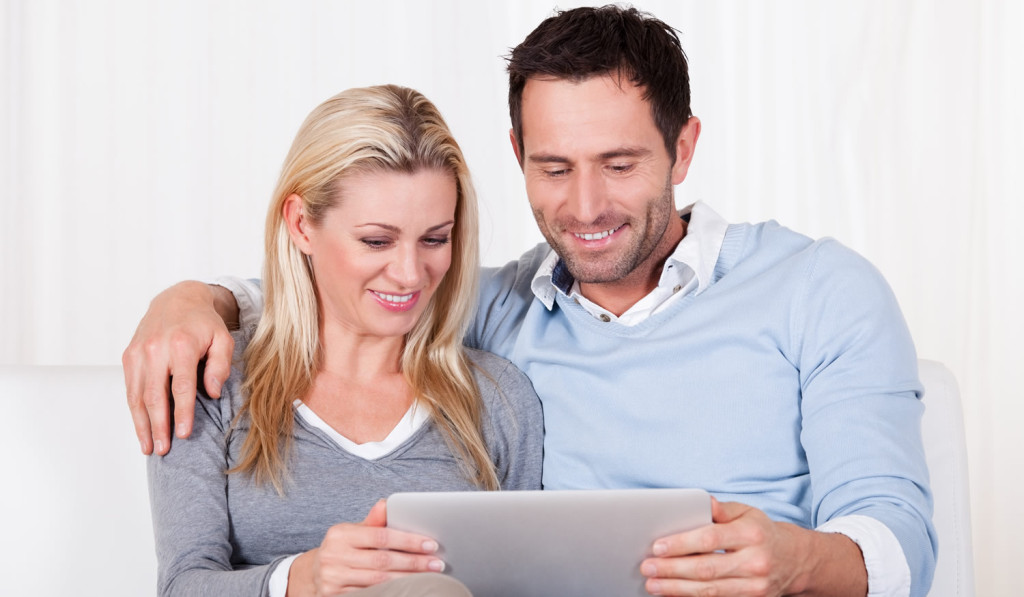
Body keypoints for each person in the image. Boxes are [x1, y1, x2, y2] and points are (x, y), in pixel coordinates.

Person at [125, 7, 936, 597]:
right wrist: (193, 298)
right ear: (517, 154)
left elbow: (899, 541)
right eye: (554, 167)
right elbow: (345, 295)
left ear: (682, 147)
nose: (585, 207)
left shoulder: (821, 290)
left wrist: (796, 562)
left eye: (619, 163)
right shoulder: (501, 305)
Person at [145, 84, 543, 597]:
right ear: (301, 225)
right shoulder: (214, 382)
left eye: (434, 239)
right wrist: (298, 579)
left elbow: (530, 583)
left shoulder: (498, 399)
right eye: (376, 241)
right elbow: (181, 585)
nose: (408, 273)